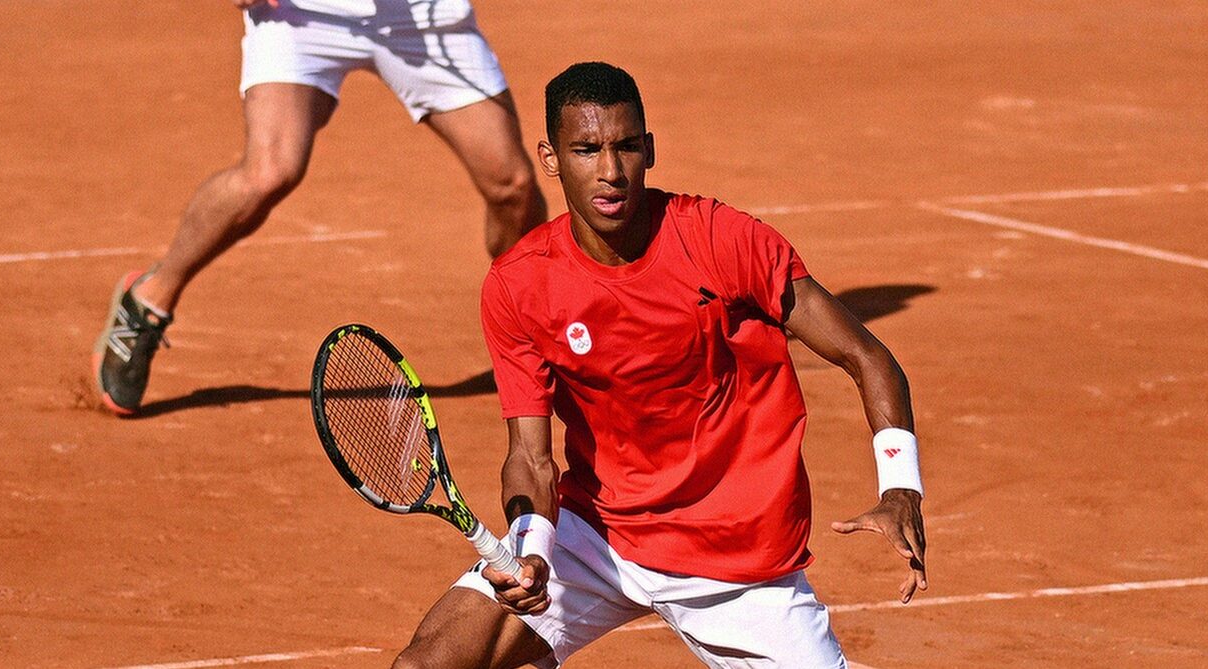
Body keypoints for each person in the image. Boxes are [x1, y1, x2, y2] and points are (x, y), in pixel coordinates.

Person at [393, 62, 928, 669]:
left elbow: (866, 354)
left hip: (734, 554)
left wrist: (900, 486)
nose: (610, 171)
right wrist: (534, 546)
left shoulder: (722, 240)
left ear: (648, 149)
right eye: (587, 150)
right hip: (596, 534)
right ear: (550, 157)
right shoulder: (520, 283)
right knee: (426, 665)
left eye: (625, 147)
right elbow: (530, 456)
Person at [92, 0, 547, 415]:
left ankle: (525, 340)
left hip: (421, 20)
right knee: (269, 171)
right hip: (302, 13)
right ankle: (150, 297)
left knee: (513, 184)